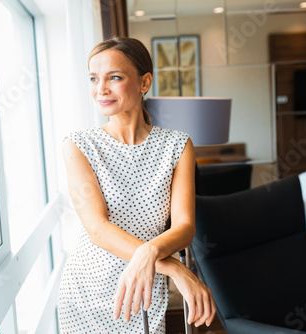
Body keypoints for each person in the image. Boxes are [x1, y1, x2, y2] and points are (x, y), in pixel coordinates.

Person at [58, 37, 215, 333]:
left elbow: (184, 228)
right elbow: (97, 229)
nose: (101, 89)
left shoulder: (177, 145)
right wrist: (171, 265)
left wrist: (147, 256)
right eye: (94, 78)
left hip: (144, 292)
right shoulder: (78, 145)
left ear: (144, 82)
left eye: (114, 77)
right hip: (87, 295)